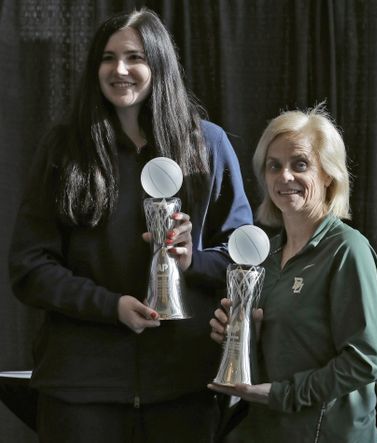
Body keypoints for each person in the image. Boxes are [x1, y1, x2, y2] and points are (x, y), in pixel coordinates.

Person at [8, 8, 253, 443]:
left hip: (184, 390)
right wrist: (110, 306)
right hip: (79, 392)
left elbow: (243, 259)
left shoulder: (208, 145)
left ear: (158, 63)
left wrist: (191, 260)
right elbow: (29, 269)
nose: (119, 69)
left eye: (134, 57)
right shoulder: (65, 148)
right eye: (107, 57)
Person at [208, 105, 377, 442]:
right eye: (273, 166)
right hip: (267, 431)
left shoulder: (348, 251)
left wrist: (282, 394)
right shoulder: (266, 256)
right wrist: (241, 337)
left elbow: (367, 361)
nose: (284, 177)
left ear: (327, 174)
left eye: (300, 164)